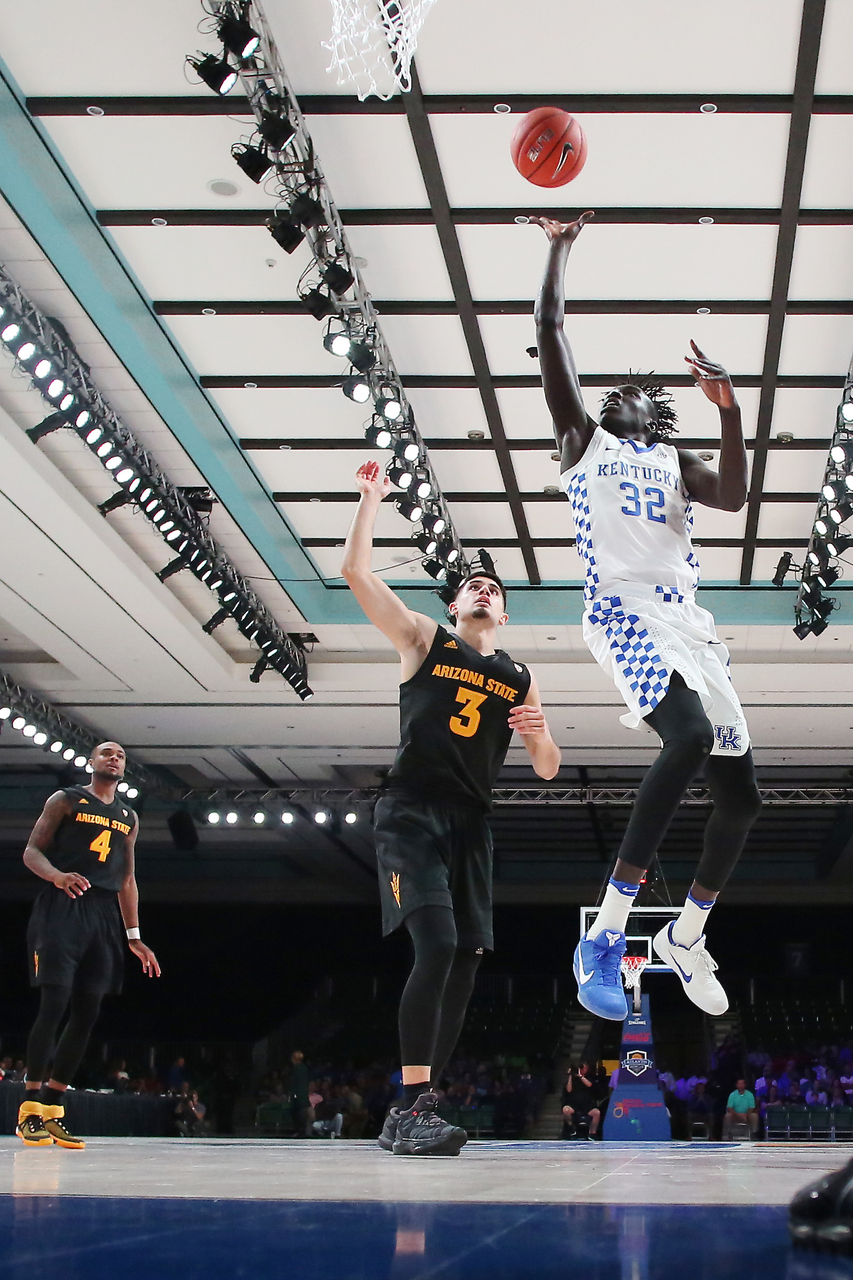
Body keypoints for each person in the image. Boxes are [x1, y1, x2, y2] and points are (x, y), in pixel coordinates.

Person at [534, 211, 762, 1022]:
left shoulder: (672, 460)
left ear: (654, 414)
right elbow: (549, 332)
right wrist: (559, 248)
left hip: (688, 622)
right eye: (614, 393)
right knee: (688, 737)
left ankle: (685, 937)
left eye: (633, 394)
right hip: (621, 610)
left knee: (741, 800)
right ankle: (605, 931)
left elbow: (732, 496)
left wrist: (729, 410)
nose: (620, 396)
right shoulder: (581, 443)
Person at [342, 461, 561, 1157]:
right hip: (411, 812)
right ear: (456, 605)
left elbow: (548, 767)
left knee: (465, 964)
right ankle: (413, 1106)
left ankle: (412, 1110)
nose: (484, 589)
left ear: (504, 614)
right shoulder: (424, 639)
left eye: (494, 589)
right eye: (473, 585)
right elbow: (356, 574)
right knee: (435, 945)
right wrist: (370, 501)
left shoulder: (519, 674)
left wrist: (539, 735)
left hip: (471, 824)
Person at [16, 741, 160, 1150]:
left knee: (88, 1012)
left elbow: (127, 880)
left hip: (102, 914)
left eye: (120, 756)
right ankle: (29, 1110)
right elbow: (31, 852)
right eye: (107, 753)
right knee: (54, 1004)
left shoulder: (128, 817)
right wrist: (57, 876)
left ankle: (53, 1108)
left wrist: (134, 936)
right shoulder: (66, 799)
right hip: (63, 904)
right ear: (92, 762)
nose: (114, 758)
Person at [561, 1062, 601, 1140]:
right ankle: (572, 1128)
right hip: (574, 1105)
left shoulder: (589, 1077)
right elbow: (568, 1090)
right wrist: (570, 1076)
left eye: (585, 1068)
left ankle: (592, 1133)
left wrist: (581, 1076)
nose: (584, 1069)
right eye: (582, 1068)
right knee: (565, 1110)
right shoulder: (573, 1079)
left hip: (587, 1105)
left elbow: (590, 1085)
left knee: (597, 1113)